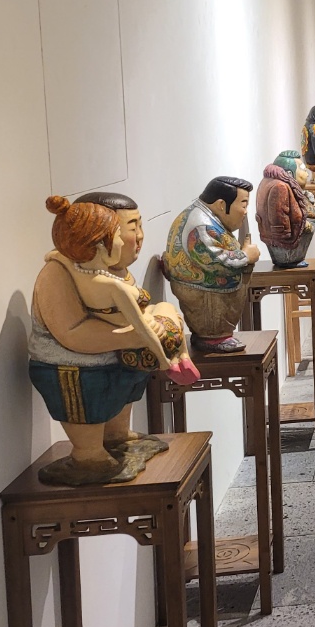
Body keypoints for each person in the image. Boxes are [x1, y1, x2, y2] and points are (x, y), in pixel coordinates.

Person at [29, 195, 195, 483]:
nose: (139, 236)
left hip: (116, 353)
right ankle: (88, 454)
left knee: (126, 384)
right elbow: (72, 333)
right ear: (98, 237)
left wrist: (153, 324)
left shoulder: (110, 270)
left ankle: (117, 435)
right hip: (73, 365)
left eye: (139, 226)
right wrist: (132, 337)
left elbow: (134, 315)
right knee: (86, 403)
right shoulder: (58, 273)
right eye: (129, 228)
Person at [164, 176, 259, 352]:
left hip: (205, 289)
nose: (246, 212)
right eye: (244, 205)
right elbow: (218, 262)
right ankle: (213, 338)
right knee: (211, 319)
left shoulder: (203, 216)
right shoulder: (202, 226)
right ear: (222, 205)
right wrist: (246, 255)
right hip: (204, 296)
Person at [256, 150, 315, 267]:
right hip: (285, 244)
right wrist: (303, 223)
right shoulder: (281, 187)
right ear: (289, 173)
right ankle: (290, 260)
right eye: (303, 170)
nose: (307, 174)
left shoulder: (273, 182)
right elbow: (279, 217)